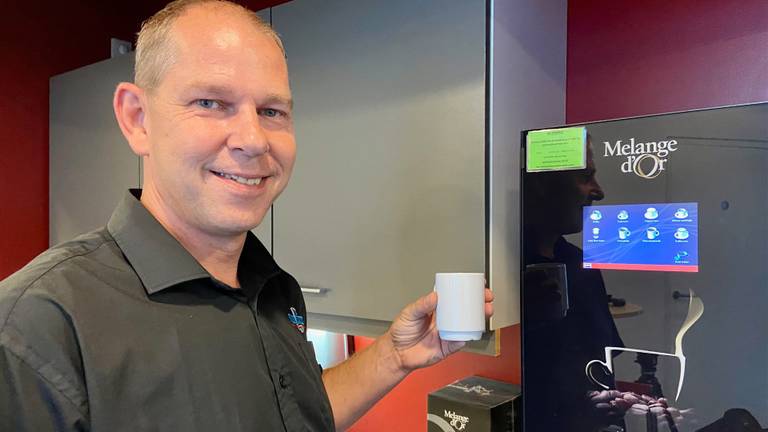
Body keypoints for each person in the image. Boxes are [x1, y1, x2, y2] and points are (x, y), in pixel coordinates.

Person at [0, 1, 493, 430]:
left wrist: (391, 355)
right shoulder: (35, 327)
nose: (254, 140)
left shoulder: (275, 292)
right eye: (211, 102)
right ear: (138, 119)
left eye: (272, 111)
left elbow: (300, 415)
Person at [522, 141, 624, 431]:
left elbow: (603, 370)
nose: (599, 192)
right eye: (584, 177)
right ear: (541, 182)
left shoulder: (580, 264)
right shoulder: (500, 271)